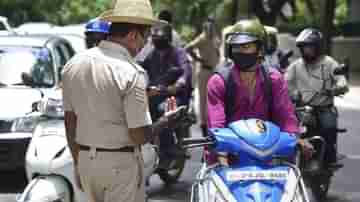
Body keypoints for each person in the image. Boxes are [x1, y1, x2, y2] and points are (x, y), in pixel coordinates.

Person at [61, 0, 183, 202]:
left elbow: (70, 121)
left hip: (85, 162)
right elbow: (138, 135)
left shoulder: (74, 65)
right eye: (145, 39)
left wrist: (78, 163)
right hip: (120, 166)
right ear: (133, 35)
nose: (144, 46)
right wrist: (165, 122)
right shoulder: (131, 72)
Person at [206, 18, 304, 166]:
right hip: (228, 157)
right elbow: (217, 127)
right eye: (236, 47)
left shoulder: (274, 79)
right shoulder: (218, 82)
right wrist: (223, 163)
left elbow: (286, 117)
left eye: (246, 46)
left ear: (260, 48)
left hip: (268, 155)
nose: (240, 51)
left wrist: (295, 139)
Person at [285, 28, 349, 168]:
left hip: (324, 108)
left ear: (318, 47)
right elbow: (284, 82)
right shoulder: (296, 65)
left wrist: (334, 89)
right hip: (302, 108)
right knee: (287, 129)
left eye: (309, 47)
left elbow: (341, 81)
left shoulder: (329, 63)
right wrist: (290, 92)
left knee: (329, 128)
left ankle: (330, 159)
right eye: (303, 48)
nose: (306, 51)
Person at [140, 23, 192, 168]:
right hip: (156, 94)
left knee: (164, 111)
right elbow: (141, 67)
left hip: (175, 96)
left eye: (159, 36)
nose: (156, 39)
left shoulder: (179, 53)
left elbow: (186, 71)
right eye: (154, 36)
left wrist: (177, 86)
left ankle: (168, 149)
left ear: (167, 37)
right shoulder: (152, 54)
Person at [185, 17, 221, 136]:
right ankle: (204, 126)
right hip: (205, 72)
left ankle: (212, 124)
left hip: (213, 71)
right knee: (203, 100)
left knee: (214, 99)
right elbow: (188, 48)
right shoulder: (202, 38)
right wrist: (198, 59)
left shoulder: (214, 38)